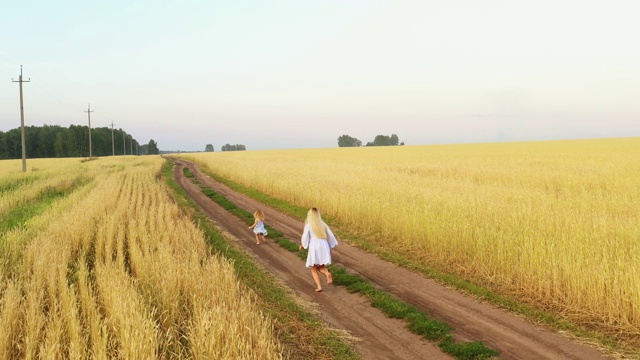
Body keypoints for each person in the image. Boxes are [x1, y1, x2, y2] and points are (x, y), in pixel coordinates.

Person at [299, 207, 338, 292]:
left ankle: (319, 286)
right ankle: (327, 273)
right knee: (321, 266)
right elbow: (330, 235)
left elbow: (305, 237)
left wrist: (303, 244)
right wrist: (330, 246)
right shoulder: (323, 224)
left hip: (314, 246)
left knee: (313, 268)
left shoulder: (308, 225)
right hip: (324, 245)